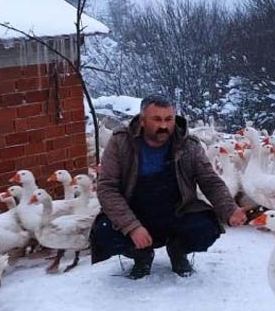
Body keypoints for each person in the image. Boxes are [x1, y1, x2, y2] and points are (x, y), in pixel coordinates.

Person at [90, 94, 247, 279]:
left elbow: (210, 181)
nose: (164, 126)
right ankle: (141, 255)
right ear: (142, 120)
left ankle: (178, 251)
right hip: (135, 210)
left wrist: (229, 210)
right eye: (156, 119)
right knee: (104, 233)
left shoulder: (189, 145)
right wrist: (131, 227)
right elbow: (107, 188)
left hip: (176, 210)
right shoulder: (121, 142)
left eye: (168, 119)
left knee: (207, 227)